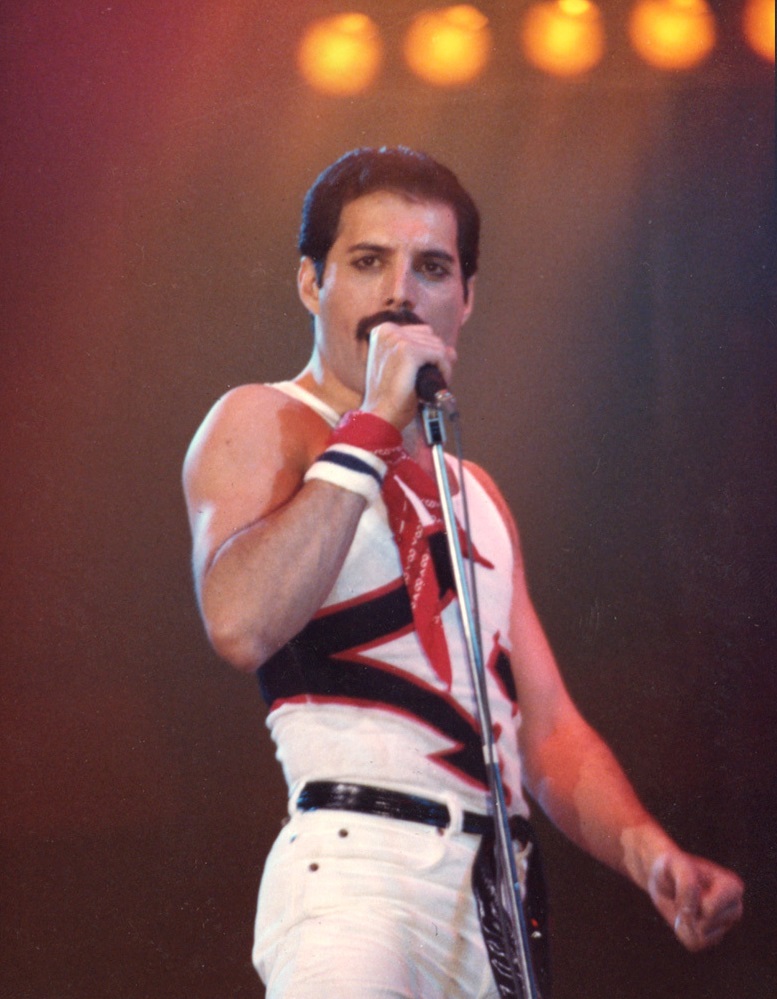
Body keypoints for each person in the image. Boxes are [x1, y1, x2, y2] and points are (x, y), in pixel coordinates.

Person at [182, 147, 743, 998]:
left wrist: (649, 853)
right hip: (357, 875)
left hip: (498, 898)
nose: (400, 292)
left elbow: (544, 729)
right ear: (310, 282)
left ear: (466, 297)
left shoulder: (474, 490)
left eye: (431, 267)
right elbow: (239, 620)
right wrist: (372, 424)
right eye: (367, 262)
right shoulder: (264, 419)